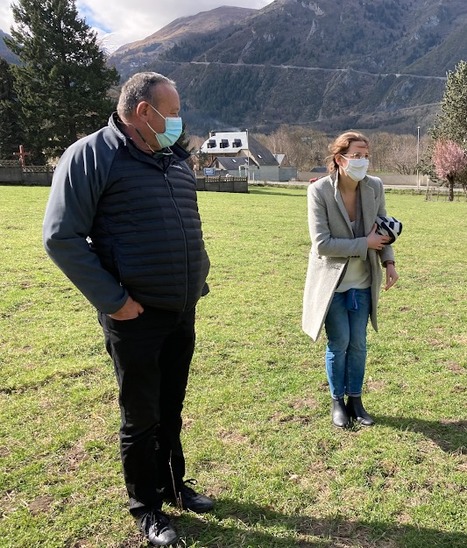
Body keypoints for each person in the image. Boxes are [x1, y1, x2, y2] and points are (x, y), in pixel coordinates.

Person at [43, 72, 213, 546]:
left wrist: (196, 278)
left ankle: (175, 486)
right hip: (134, 317)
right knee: (141, 418)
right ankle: (147, 508)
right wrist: (115, 302)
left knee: (171, 409)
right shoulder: (91, 156)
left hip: (180, 310)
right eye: (173, 111)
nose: (179, 120)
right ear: (144, 111)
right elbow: (61, 238)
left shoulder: (173, 159)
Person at [302, 131, 399, 429]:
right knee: (339, 342)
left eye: (366, 155)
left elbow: (381, 228)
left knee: (358, 344)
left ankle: (356, 401)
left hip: (363, 282)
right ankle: (337, 402)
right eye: (356, 155)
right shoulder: (318, 191)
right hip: (332, 284)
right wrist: (364, 244)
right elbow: (322, 244)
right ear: (339, 158)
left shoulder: (375, 187)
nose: (362, 161)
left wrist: (389, 260)